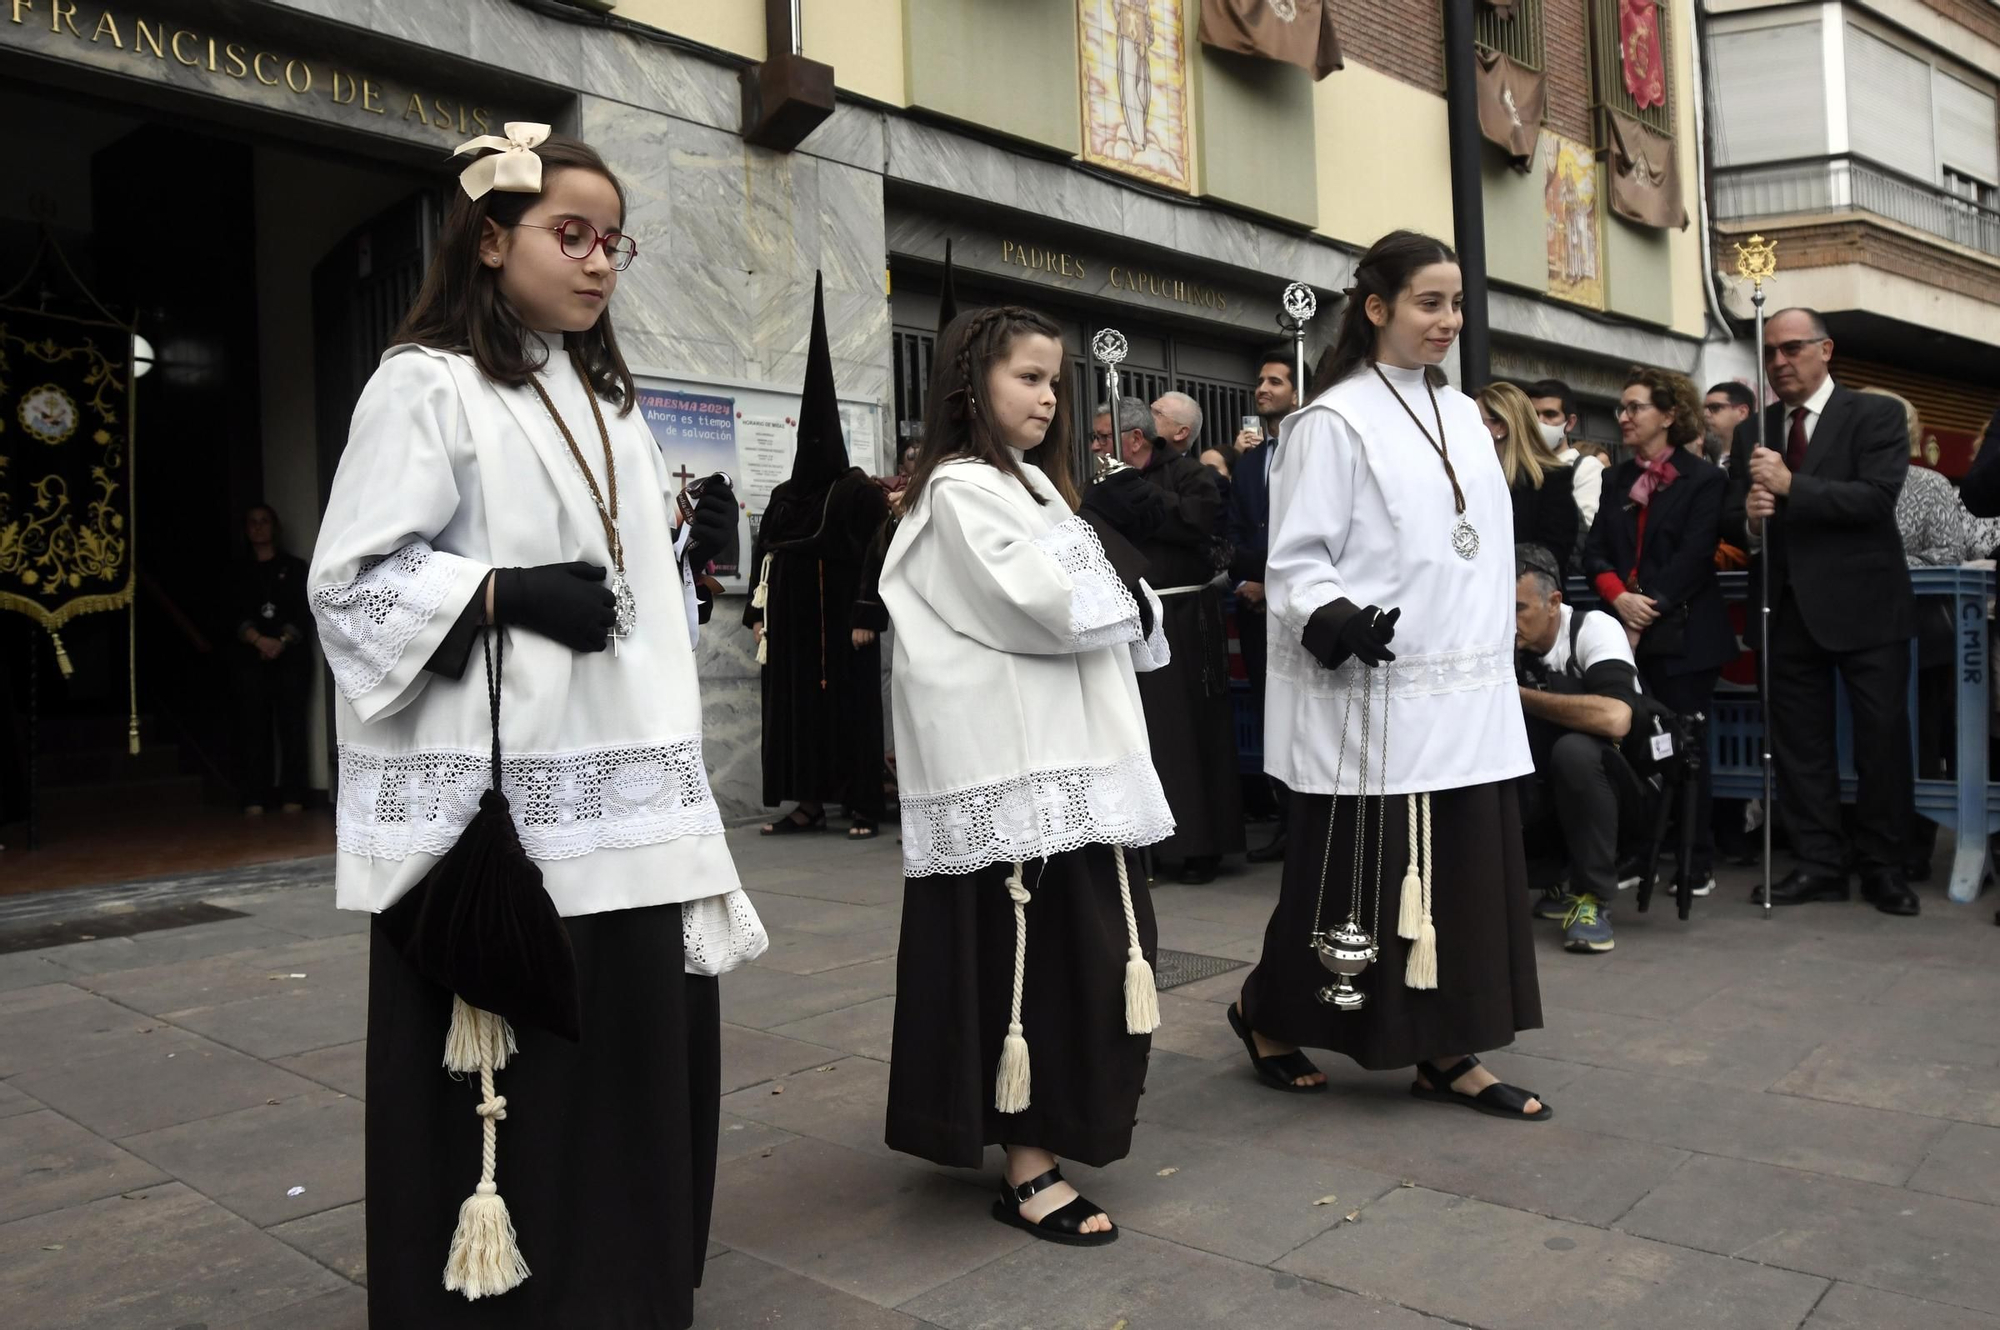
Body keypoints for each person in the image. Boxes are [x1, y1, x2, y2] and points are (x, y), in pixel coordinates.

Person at [308, 128, 758, 1329]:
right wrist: (500, 592)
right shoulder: (425, 382)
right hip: (502, 812)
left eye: (616, 240)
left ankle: (621, 1294)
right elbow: (349, 584)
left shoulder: (609, 401)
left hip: (634, 801)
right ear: (492, 237)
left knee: (625, 1079)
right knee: (518, 1091)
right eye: (573, 234)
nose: (600, 261)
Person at [1229, 230, 1546, 1120]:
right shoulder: (1333, 421)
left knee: (1466, 881)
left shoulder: (1463, 415)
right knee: (1358, 882)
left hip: (1469, 699)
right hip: (1381, 697)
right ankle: (1264, 1012)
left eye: (1455, 304)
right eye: (1429, 303)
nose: (1448, 321)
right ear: (1377, 309)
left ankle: (1447, 1050)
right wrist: (1336, 616)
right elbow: (1296, 560)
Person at [879, 304, 1174, 1247]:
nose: (1049, 397)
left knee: (1085, 957)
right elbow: (1041, 606)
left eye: (1056, 380)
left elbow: (1114, 608)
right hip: (1016, 774)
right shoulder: (961, 490)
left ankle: (1060, 1130)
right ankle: (1027, 1162)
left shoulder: (1036, 489)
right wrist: (1118, 581)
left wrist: (1118, 585)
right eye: (1028, 378)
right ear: (972, 383)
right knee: (1033, 965)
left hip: (1072, 764)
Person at [1723, 308, 1917, 916]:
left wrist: (1789, 485)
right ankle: (1818, 863)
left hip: (1866, 608)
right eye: (1772, 353)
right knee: (1799, 746)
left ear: (1825, 349)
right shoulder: (1754, 429)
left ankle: (1885, 866)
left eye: (1793, 349)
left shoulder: (1875, 414)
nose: (1779, 362)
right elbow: (1737, 520)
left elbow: (1875, 500)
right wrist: (1751, 522)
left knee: (1881, 742)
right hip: (1784, 607)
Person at [744, 276, 893, 840]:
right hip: (790, 632)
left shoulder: (856, 490)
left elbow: (873, 552)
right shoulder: (785, 495)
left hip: (839, 629)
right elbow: (766, 554)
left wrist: (863, 613)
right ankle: (805, 803)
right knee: (794, 716)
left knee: (850, 714)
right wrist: (757, 614)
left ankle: (861, 805)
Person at [1583, 366, 1733, 898]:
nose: (1622, 417)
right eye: (1620, 408)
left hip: (1685, 633)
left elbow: (1695, 557)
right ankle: (1635, 852)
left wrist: (1648, 608)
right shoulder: (1616, 478)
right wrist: (1617, 598)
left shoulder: (1705, 479)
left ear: (1669, 415)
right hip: (1626, 628)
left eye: (1635, 407)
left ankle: (1695, 858)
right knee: (1631, 747)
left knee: (1685, 747)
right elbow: (1595, 549)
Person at [1122, 391, 1245, 883]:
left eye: (1156, 416)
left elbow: (1196, 521)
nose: (1145, 422)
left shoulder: (1197, 476)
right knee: (1149, 731)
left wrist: (1140, 494)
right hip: (1139, 615)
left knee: (1192, 731)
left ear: (1178, 432)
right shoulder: (1120, 477)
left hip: (1187, 615)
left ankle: (1200, 845)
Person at [1514, 546, 1637, 953]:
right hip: (1547, 782)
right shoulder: (1503, 640)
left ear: (1553, 603)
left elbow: (1616, 717)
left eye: (1519, 609)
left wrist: (1520, 696)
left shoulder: (1592, 629)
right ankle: (1547, 873)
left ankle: (1592, 898)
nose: (1508, 622)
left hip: (1623, 787)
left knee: (1575, 752)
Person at [1229, 350, 1300, 863]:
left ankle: (1309, 824)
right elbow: (1236, 531)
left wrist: (1270, 582)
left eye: (1275, 380)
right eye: (1260, 380)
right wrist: (1249, 576)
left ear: (1297, 391)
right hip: (1255, 608)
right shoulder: (1250, 461)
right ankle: (1284, 821)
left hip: (1295, 606)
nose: (1263, 388)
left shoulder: (1309, 451)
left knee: (1301, 713)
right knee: (1269, 713)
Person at [232, 503, 313, 815]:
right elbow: (232, 612)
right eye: (252, 522)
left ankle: (294, 792)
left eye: (264, 521)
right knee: (254, 727)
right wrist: (256, 639)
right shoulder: (237, 570)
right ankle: (255, 794)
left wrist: (280, 642)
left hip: (289, 657)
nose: (258, 527)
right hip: (250, 659)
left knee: (292, 726)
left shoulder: (294, 567)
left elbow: (302, 609)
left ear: (274, 526)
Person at [1480, 382, 1580, 572]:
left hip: (1528, 593)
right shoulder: (1473, 477)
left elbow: (1553, 552)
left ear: (1501, 427)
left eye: (1476, 420)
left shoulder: (1552, 479)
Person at [1527, 377, 1605, 531]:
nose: (1539, 422)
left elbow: (1587, 528)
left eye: (1550, 414)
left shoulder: (1586, 467)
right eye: (1533, 415)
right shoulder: (1519, 465)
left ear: (1570, 423)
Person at [1702, 381, 1756, 471]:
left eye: (1715, 407)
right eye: (1704, 409)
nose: (1705, 414)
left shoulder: (1756, 457)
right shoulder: (1699, 455)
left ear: (1742, 412)